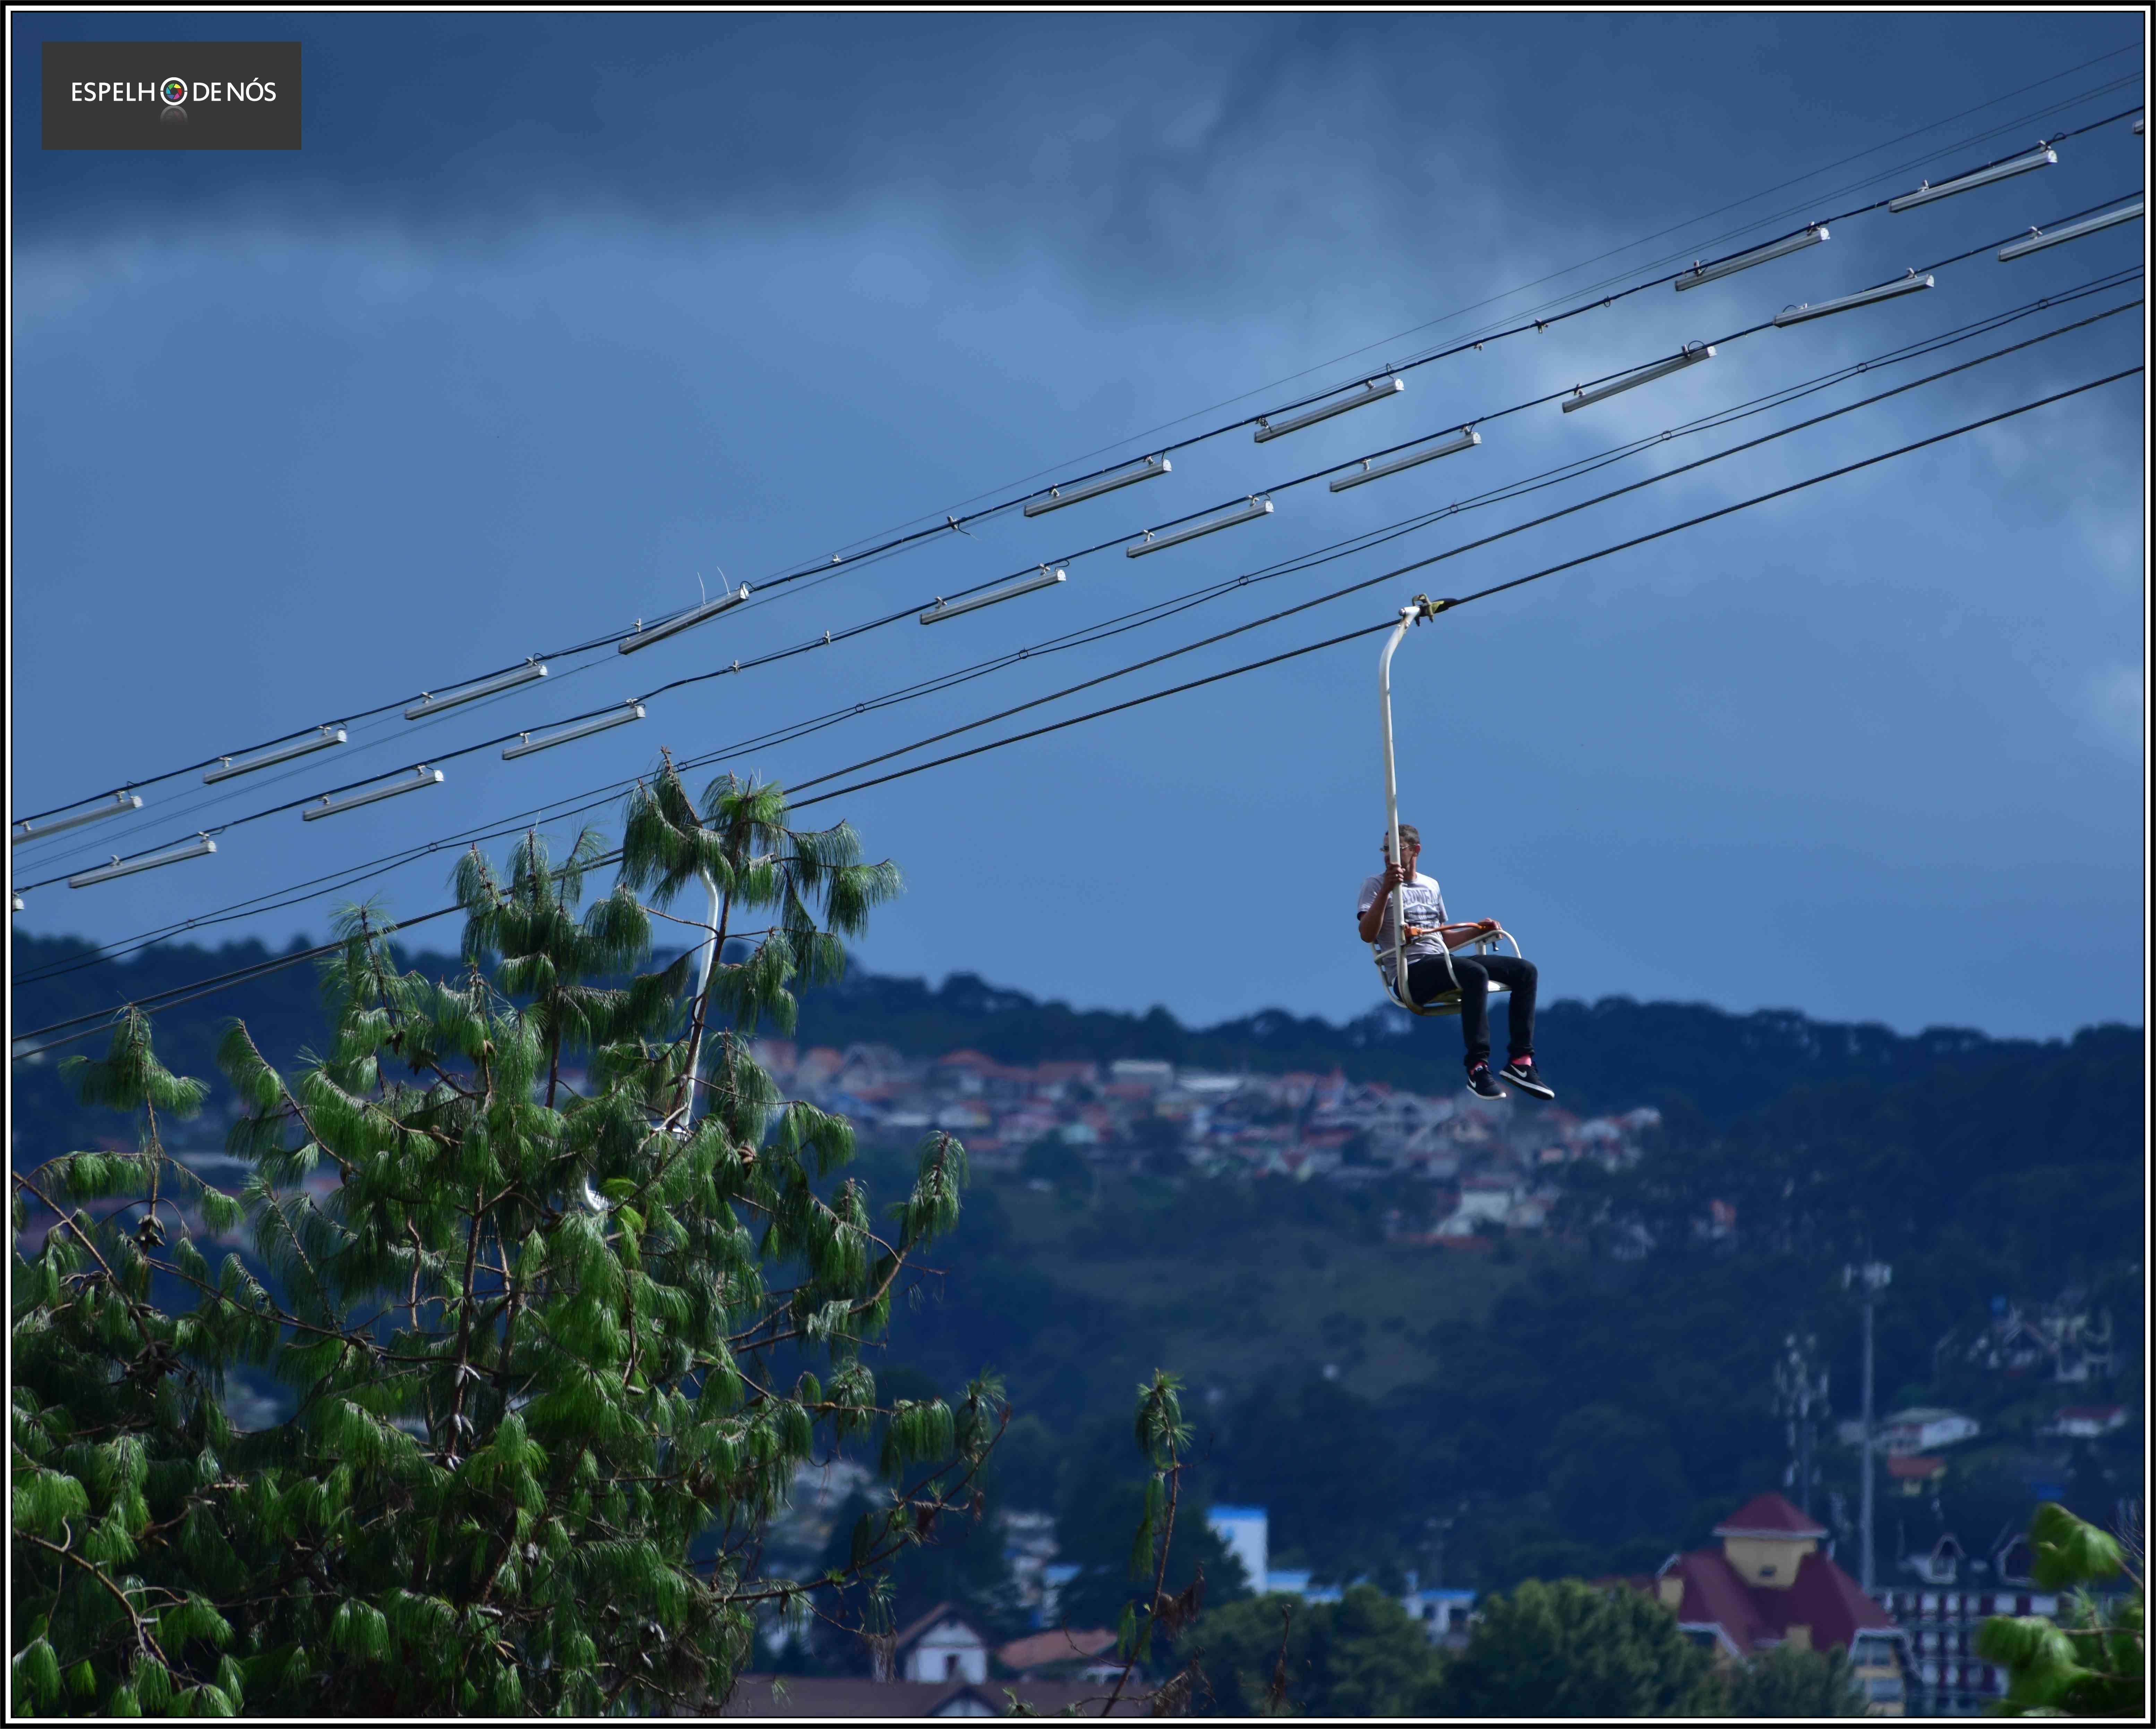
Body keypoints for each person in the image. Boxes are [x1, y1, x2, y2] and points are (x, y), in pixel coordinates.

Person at [1356, 824, 1553, 1101]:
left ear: (1415, 851)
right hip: (1410, 973)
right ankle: (1477, 1067)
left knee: (1525, 971)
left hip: (1440, 961)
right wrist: (1387, 891)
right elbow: (1367, 934)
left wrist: (1478, 931)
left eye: (1397, 849)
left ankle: (1521, 1062)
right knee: (1474, 973)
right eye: (1385, 850)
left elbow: (1444, 939)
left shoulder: (1431, 885)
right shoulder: (1375, 885)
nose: (1390, 856)